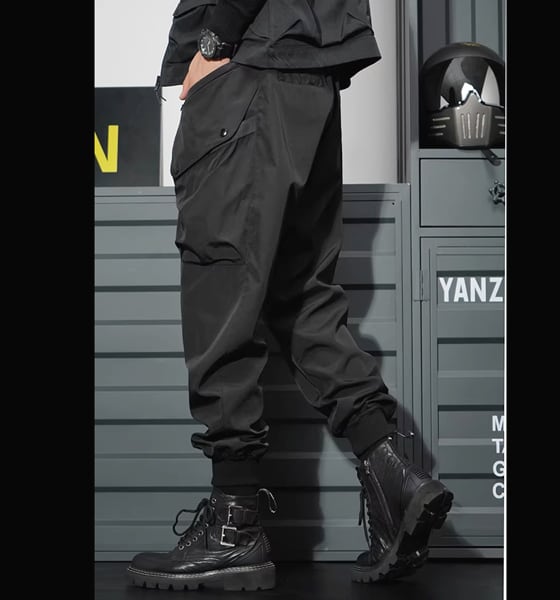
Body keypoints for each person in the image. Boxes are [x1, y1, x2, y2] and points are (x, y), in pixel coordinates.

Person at [127, 0, 453, 591]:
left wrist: (214, 42)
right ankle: (392, 476)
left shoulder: (229, 50)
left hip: (245, 68)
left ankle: (234, 526)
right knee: (302, 295)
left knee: (220, 291)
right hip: (310, 75)